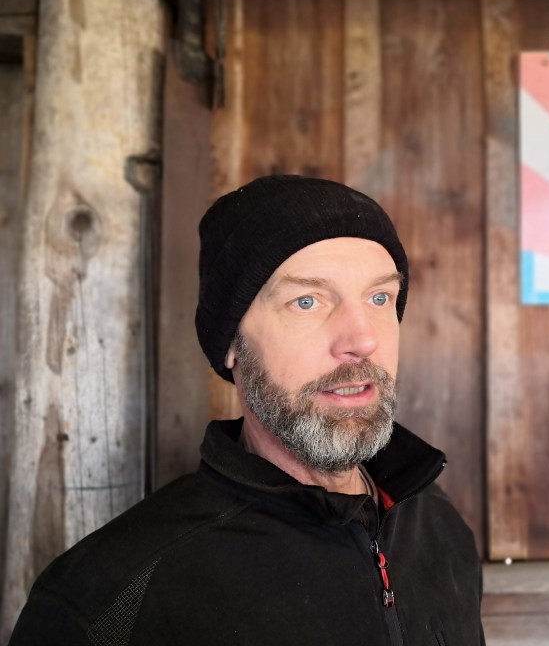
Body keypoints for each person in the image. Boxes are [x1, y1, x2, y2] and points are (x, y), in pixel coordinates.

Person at [11, 175, 485, 645]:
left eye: (380, 297)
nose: (363, 340)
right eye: (307, 301)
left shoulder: (437, 525)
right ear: (232, 344)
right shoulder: (107, 599)